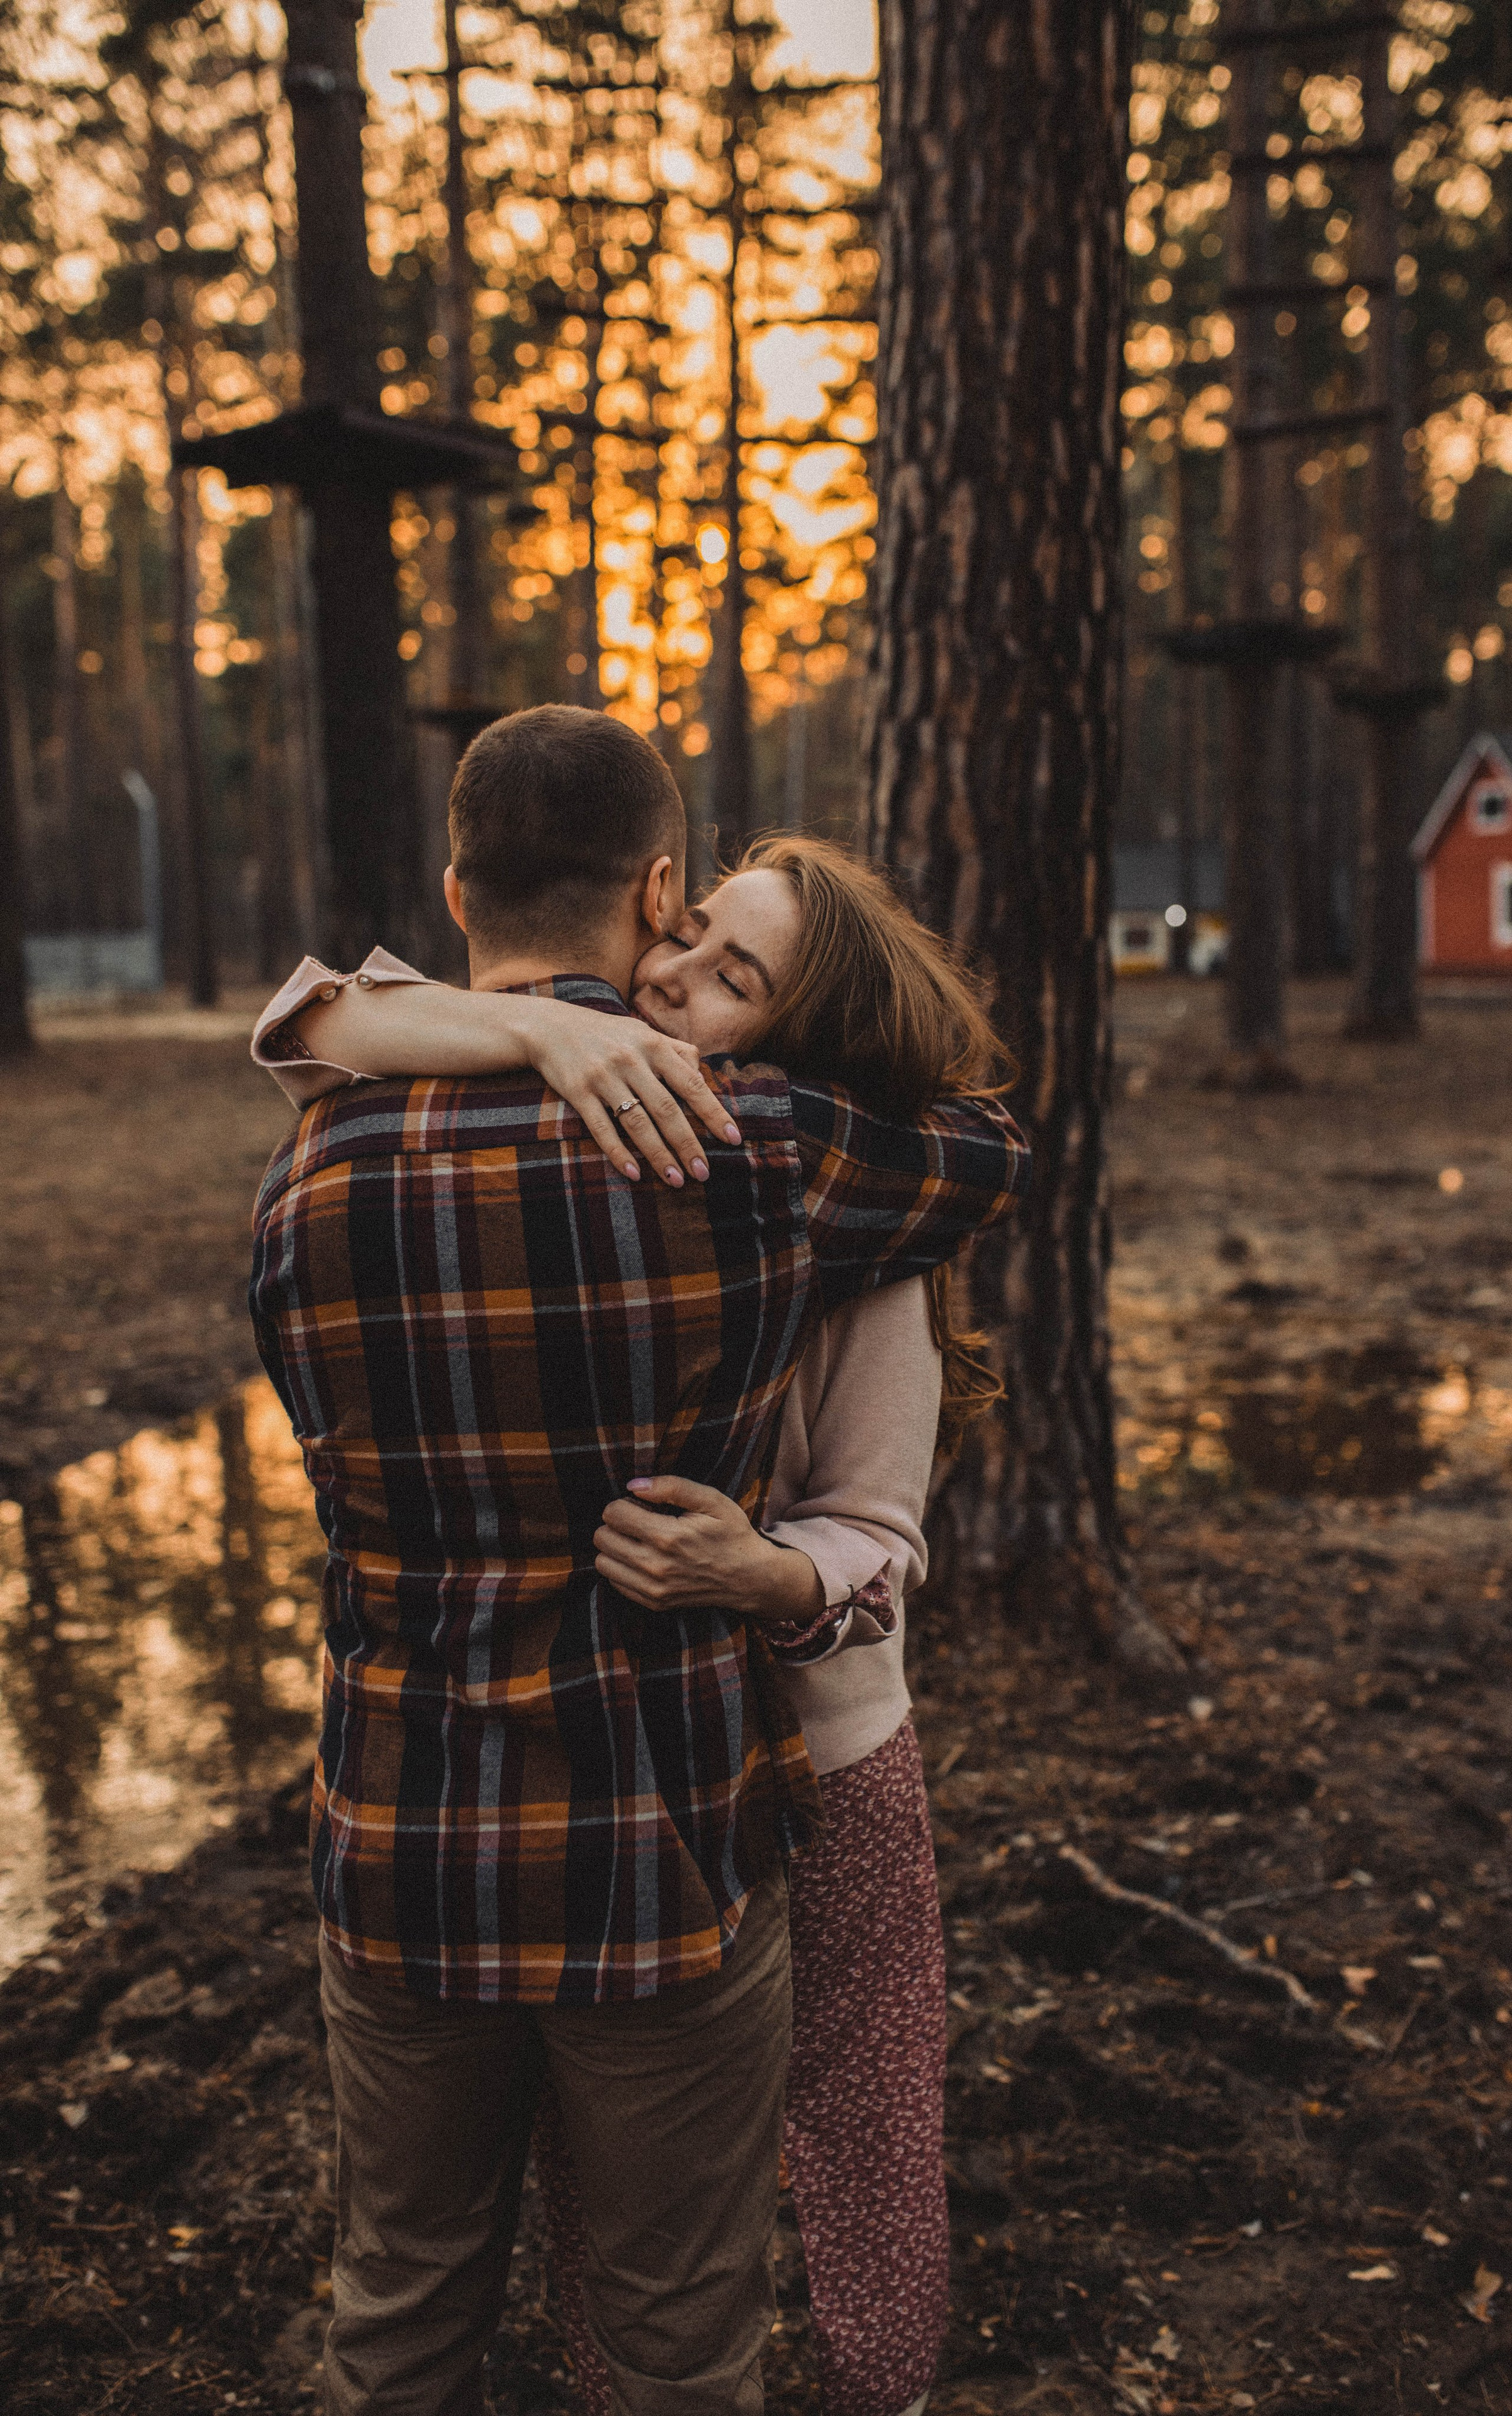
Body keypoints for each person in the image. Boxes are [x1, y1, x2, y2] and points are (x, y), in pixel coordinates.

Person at [247, 704, 1029, 2416]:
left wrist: (432, 1029)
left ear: (456, 892)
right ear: (660, 886)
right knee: (681, 2341)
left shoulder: (305, 1167)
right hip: (656, 1846)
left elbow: (302, 1021)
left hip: (397, 1836)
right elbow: (983, 1157)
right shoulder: (752, 1146)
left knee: (400, 2315)